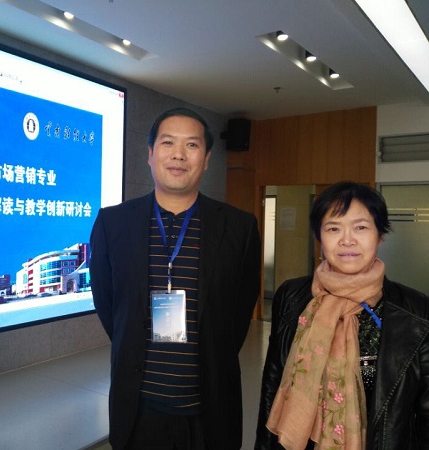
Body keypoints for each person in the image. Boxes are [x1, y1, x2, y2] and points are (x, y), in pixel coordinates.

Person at [89, 107, 261, 449]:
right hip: (138, 409)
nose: (179, 154)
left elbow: (239, 312)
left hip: (209, 408)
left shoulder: (239, 227)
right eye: (168, 143)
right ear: (150, 154)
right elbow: (110, 307)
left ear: (206, 159)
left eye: (192, 145)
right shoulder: (113, 223)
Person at [255, 181, 429, 450]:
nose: (347, 240)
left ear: (380, 235)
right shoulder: (293, 297)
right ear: (320, 237)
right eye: (333, 228)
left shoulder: (415, 311)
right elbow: (273, 382)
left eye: (361, 228)